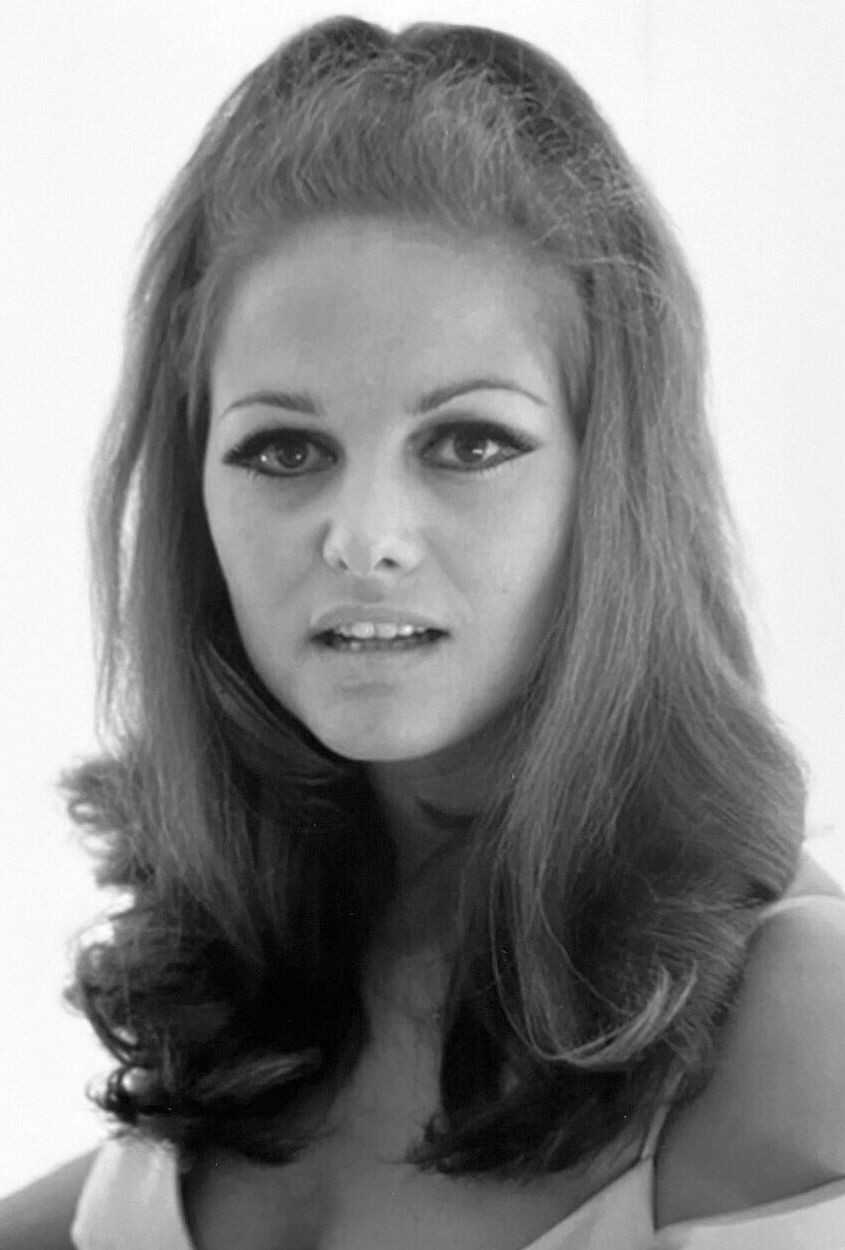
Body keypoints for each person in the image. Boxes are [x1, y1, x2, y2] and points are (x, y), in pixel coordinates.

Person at [3, 15, 845, 1250]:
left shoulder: (793, 1020)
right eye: (282, 449)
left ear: (611, 485)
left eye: (468, 441)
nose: (362, 536)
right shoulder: (250, 968)